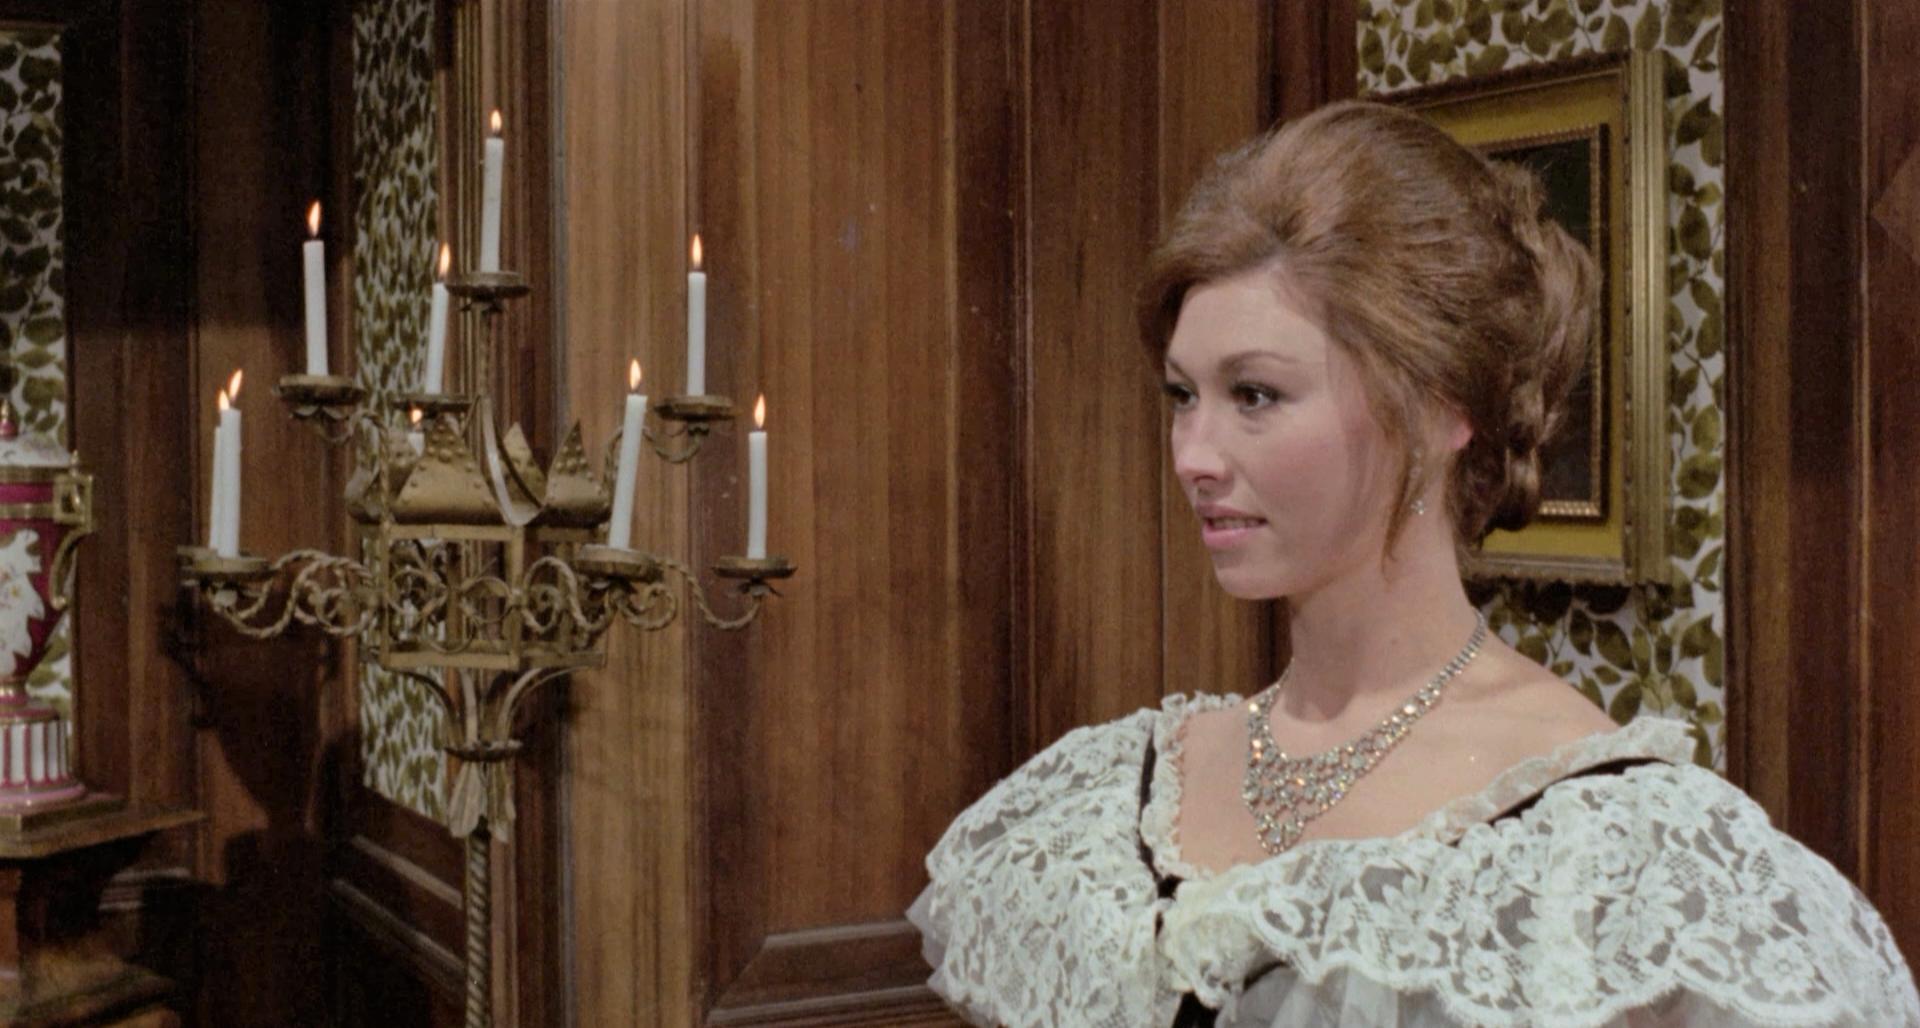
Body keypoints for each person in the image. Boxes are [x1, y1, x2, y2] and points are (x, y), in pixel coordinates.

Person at [906, 100, 1920, 1027]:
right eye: (1184, 395)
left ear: (1441, 408)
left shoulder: (1607, 850)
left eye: (1255, 394)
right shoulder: (1113, 797)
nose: (1193, 455)